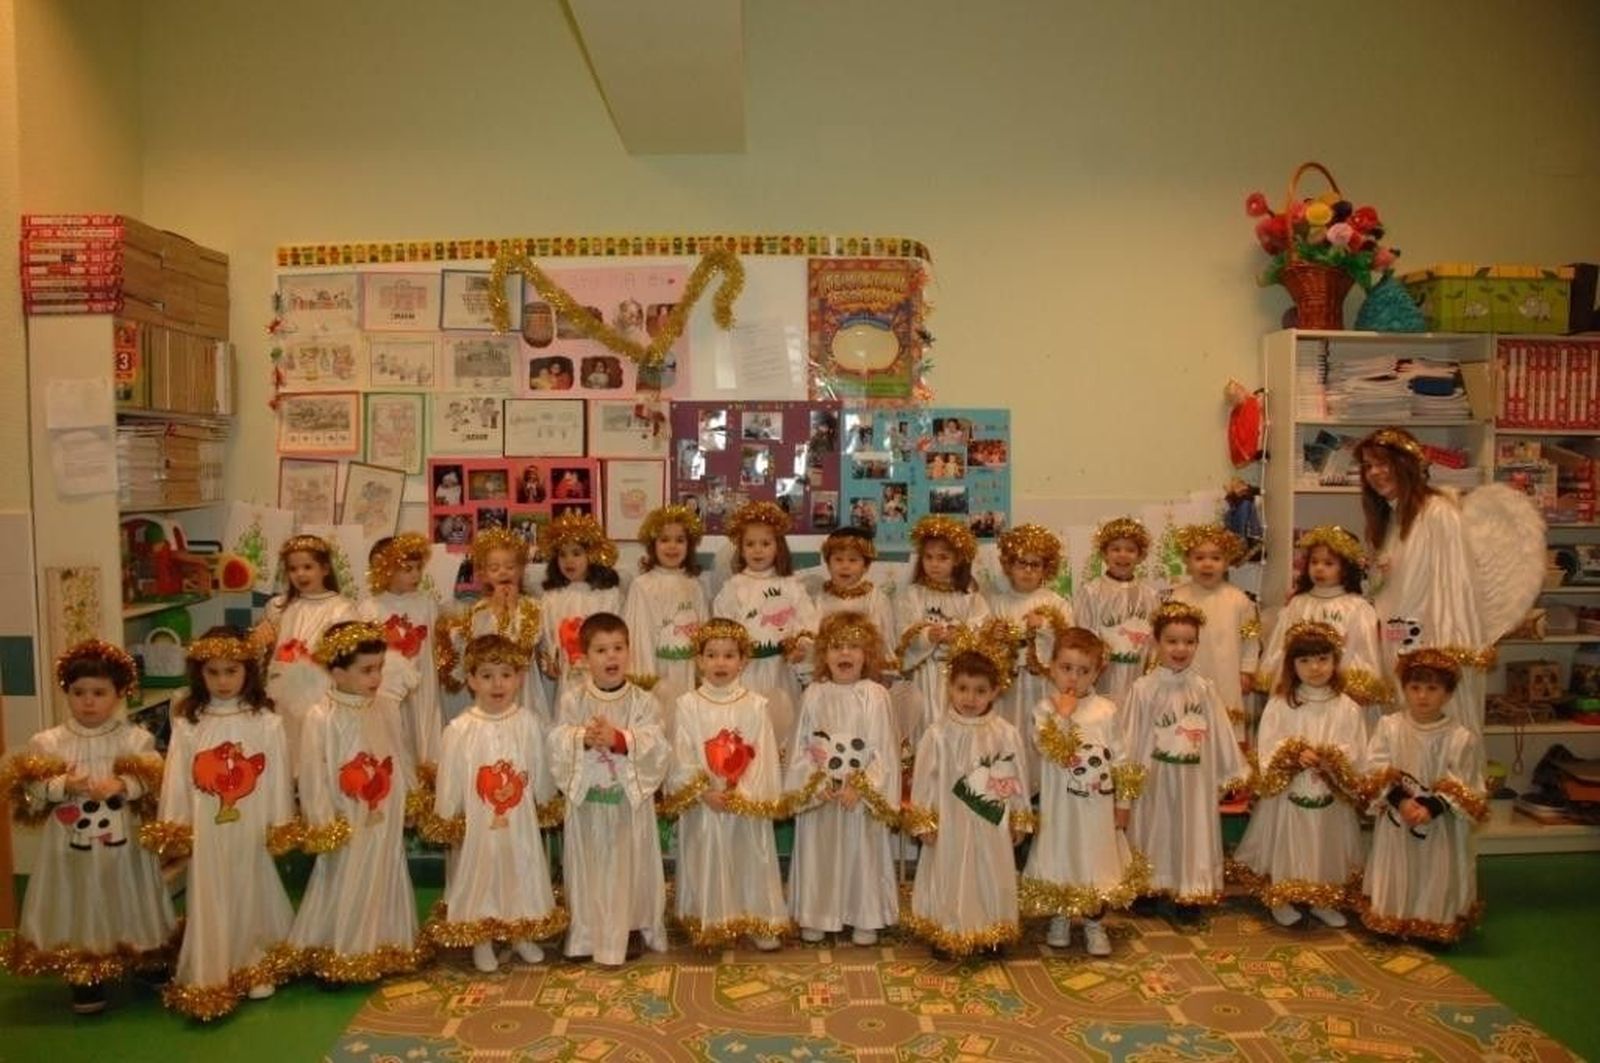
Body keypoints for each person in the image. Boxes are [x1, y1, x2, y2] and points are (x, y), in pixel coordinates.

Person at [1, 640, 175, 1014]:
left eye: (99, 693)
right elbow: (32, 788)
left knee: (128, 894)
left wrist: (124, 786)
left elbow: (154, 779)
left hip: (123, 845)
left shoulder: (135, 738)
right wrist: (64, 786)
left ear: (119, 694)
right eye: (79, 693)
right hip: (71, 848)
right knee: (80, 899)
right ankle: (85, 970)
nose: (88, 702)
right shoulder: (48, 742)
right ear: (67, 692)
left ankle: (145, 955)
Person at [146, 629, 297, 1020]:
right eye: (214, 672)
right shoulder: (189, 722)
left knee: (250, 882)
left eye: (232, 671)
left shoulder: (264, 720)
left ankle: (254, 961)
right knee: (210, 888)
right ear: (201, 674)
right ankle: (213, 966)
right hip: (207, 826)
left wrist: (279, 821)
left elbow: (278, 774)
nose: (224, 681)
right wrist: (176, 823)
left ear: (247, 671)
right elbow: (176, 775)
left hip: (250, 823)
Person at [287, 621, 423, 982]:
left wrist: (409, 799)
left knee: (384, 868)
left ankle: (384, 942)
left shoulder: (386, 707)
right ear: (337, 672)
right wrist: (322, 820)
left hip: (385, 807)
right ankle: (344, 949)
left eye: (379, 667)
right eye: (366, 670)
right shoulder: (322, 717)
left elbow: (400, 752)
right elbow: (314, 773)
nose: (376, 677)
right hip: (347, 814)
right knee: (346, 874)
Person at [425, 634, 566, 972]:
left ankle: (520, 932)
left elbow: (538, 767)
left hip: (520, 823)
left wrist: (544, 800)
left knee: (521, 868)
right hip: (478, 825)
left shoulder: (528, 723)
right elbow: (451, 779)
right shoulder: (460, 730)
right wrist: (449, 815)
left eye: (505, 674)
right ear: (471, 680)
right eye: (486, 675)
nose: (497, 683)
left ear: (519, 678)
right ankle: (482, 937)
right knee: (481, 873)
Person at [661, 619, 798, 950]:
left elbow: (762, 755)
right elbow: (680, 753)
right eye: (712, 655)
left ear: (743, 660)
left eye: (728, 655)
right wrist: (704, 791)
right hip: (705, 803)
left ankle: (756, 917)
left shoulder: (754, 705)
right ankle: (711, 918)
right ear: (699, 660)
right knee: (708, 854)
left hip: (743, 803)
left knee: (748, 855)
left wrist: (742, 794)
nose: (720, 662)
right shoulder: (687, 705)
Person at [903, 631, 1034, 959]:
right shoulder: (937, 735)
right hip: (950, 823)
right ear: (949, 687)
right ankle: (947, 930)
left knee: (992, 870)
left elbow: (1016, 777)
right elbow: (925, 782)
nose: (970, 698)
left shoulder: (1005, 734)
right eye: (962, 689)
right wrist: (924, 821)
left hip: (991, 823)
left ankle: (992, 929)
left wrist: (1019, 817)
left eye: (980, 691)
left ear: (995, 691)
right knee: (948, 871)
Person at [549, 614, 670, 966]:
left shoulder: (643, 701)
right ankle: (587, 929)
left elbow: (657, 744)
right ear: (585, 657)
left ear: (629, 652)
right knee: (591, 865)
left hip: (627, 808)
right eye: (601, 650)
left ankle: (630, 926)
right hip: (589, 804)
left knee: (628, 864)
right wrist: (581, 738)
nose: (611, 657)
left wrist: (621, 739)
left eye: (618, 648)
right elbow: (556, 739)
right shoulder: (573, 701)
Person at [1228, 622, 1367, 928]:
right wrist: (1292, 753)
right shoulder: (1281, 704)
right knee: (1288, 841)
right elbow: (1268, 744)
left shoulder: (1347, 707)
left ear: (1334, 661)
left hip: (1328, 793)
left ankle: (1323, 898)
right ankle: (1283, 895)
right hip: (1289, 794)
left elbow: (1356, 747)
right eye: (1304, 661)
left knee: (1325, 842)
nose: (1315, 668)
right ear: (1292, 665)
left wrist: (1333, 758)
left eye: (1322, 659)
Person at [1021, 628, 1146, 957]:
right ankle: (1061, 917)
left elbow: (1121, 758)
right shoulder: (1043, 710)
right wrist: (1063, 715)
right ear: (1051, 666)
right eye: (1066, 668)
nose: (1073, 678)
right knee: (1062, 857)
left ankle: (1094, 923)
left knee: (1095, 863)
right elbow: (1050, 751)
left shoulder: (1106, 710)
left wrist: (1123, 802)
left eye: (1084, 671)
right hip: (1061, 810)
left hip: (1097, 812)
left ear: (1097, 671)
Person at [1355, 428, 1489, 736]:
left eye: (1382, 463)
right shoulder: (1390, 520)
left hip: (1430, 656)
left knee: (1438, 746)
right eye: (1368, 466)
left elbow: (1457, 589)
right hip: (1395, 649)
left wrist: (1440, 657)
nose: (1375, 473)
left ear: (1406, 464)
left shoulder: (1438, 513)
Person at [1121, 602, 1250, 921]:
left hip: (1195, 780)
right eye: (1172, 641)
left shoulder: (1203, 689)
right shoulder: (1143, 689)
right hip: (1155, 779)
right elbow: (1131, 736)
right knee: (1154, 827)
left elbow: (1219, 731)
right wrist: (1128, 782)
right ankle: (1148, 886)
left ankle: (1188, 891)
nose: (1181, 649)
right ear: (1156, 642)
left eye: (1189, 641)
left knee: (1191, 829)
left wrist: (1229, 772)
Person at [786, 612, 901, 946]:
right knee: (820, 853)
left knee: (860, 852)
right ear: (824, 654)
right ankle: (818, 913)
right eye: (837, 647)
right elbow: (802, 746)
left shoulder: (875, 695)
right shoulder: (814, 695)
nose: (845, 654)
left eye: (853, 647)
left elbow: (884, 750)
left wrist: (861, 787)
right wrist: (813, 785)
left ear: (867, 655)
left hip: (857, 795)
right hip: (822, 794)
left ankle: (864, 914)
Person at [1360, 648, 1487, 944]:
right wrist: (1402, 801)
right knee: (1399, 866)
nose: (1422, 696)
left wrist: (1431, 807)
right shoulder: (1390, 727)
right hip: (1398, 817)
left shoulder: (1459, 737)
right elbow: (1375, 767)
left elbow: (1465, 781)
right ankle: (1395, 916)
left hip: (1439, 823)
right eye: (1415, 688)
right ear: (1404, 689)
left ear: (1448, 693)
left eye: (1432, 689)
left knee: (1434, 870)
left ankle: (1432, 922)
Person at [712, 501, 819, 761]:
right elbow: (721, 627)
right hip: (745, 673)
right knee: (746, 728)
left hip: (782, 670)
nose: (757, 550)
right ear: (741, 549)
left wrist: (801, 647)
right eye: (750, 544)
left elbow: (809, 624)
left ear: (778, 546)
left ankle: (780, 782)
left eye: (765, 543)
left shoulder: (791, 585)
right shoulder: (734, 587)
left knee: (783, 725)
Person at [1256, 526, 1387, 719]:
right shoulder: (1298, 604)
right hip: (1299, 696)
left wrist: (1353, 688)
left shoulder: (1357, 608)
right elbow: (1281, 646)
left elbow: (1365, 652)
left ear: (1346, 568)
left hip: (1342, 699)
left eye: (1328, 563)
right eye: (1314, 562)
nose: (1319, 568)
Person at [251, 534, 357, 756]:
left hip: (321, 696)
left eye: (308, 567)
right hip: (283, 697)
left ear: (325, 569)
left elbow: (347, 660)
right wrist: (260, 640)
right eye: (293, 569)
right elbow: (265, 654)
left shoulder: (342, 609)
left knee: (315, 752)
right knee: (287, 751)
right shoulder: (278, 607)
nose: (300, 574)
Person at [987, 523, 1073, 783]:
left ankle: (1041, 790)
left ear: (1046, 569)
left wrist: (1045, 627)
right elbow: (981, 640)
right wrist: (994, 635)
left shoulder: (1056, 603)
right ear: (1009, 566)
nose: (1027, 570)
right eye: (1021, 563)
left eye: (1035, 565)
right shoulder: (995, 601)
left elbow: (1068, 643)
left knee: (1039, 731)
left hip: (1041, 685)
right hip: (1007, 688)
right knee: (1008, 734)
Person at [895, 516, 992, 742]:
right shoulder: (913, 594)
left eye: (942, 557)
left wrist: (960, 636)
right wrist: (928, 635)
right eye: (928, 557)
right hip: (925, 673)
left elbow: (982, 627)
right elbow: (904, 631)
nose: (934, 564)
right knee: (928, 724)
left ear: (957, 560)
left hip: (961, 676)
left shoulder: (969, 597)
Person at [438, 528, 548, 723]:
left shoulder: (532, 607)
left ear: (521, 570)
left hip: (524, 688)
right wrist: (497, 609)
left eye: (510, 566)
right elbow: (479, 647)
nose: (503, 572)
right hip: (492, 687)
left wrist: (513, 608)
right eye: (495, 568)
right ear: (485, 574)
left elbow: (526, 645)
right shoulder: (479, 611)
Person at [1167, 524, 1261, 746]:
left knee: (1225, 732)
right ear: (1188, 563)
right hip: (1187, 673)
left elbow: (1251, 638)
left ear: (1227, 562)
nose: (1207, 564)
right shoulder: (1178, 597)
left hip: (1226, 674)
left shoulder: (1238, 599)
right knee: (1189, 727)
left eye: (1216, 558)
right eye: (1199, 558)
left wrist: (1247, 671)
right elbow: (1163, 640)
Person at [359, 534, 444, 774]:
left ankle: (427, 783)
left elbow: (439, 642)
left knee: (423, 730)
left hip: (423, 685)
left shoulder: (427, 603)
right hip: (387, 690)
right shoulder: (369, 608)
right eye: (407, 569)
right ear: (384, 570)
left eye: (418, 568)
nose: (416, 575)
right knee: (394, 735)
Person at [622, 505, 709, 740]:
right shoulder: (643, 586)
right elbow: (639, 635)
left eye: (680, 540)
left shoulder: (695, 585)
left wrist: (705, 675)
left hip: (688, 672)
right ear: (653, 545)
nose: (672, 546)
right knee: (661, 728)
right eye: (664, 540)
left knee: (687, 731)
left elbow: (705, 633)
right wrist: (646, 682)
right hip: (658, 672)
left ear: (689, 546)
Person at [1074, 517, 1162, 708]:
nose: (1123, 555)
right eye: (1116, 549)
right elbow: (1084, 636)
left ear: (1140, 556)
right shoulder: (1091, 592)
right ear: (1105, 554)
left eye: (1130, 550)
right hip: (1103, 680)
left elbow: (1156, 640)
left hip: (1138, 680)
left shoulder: (1150, 596)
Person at [538, 513, 624, 706]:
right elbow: (545, 636)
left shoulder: (608, 595)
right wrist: (548, 663)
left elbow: (620, 635)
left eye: (576, 553)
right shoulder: (551, 597)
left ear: (592, 555)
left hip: (603, 679)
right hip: (566, 682)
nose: (569, 561)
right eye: (562, 554)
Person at [813, 527, 895, 641]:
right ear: (828, 564)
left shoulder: (876, 600)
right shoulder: (820, 598)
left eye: (853, 560)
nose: (845, 566)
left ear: (866, 566)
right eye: (838, 559)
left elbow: (884, 640)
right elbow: (813, 636)